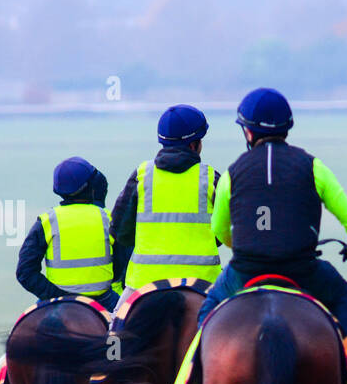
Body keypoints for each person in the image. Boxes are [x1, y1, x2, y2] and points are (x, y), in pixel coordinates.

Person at [196, 88, 347, 345]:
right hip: (302, 269)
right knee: (344, 298)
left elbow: (219, 230)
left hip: (246, 271)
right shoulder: (314, 167)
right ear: (287, 128)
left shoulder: (232, 174)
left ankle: (193, 378)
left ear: (248, 131)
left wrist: (245, 245)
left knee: (207, 310)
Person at [109, 104, 222, 290]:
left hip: (145, 283)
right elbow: (223, 231)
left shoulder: (142, 176)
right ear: (194, 144)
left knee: (117, 319)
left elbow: (120, 230)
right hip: (203, 283)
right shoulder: (210, 179)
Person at [16, 156, 120, 310]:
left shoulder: (46, 222)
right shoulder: (108, 218)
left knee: (22, 330)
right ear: (90, 186)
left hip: (59, 303)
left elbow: (25, 272)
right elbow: (121, 264)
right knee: (134, 326)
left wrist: (56, 295)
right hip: (103, 301)